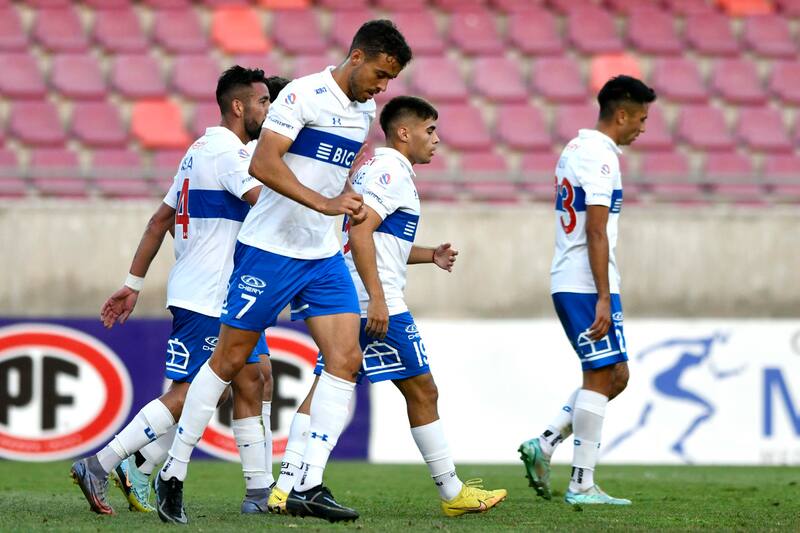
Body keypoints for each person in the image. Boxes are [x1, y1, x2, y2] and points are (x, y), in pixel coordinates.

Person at [155, 20, 412, 524]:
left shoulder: (364, 111)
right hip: (268, 250)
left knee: (346, 358)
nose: (383, 88)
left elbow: (331, 174)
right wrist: (328, 203)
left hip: (320, 256)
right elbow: (264, 165)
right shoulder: (302, 95)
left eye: (390, 81)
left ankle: (304, 480)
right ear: (357, 56)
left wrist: (348, 205)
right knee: (228, 361)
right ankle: (173, 471)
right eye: (380, 74)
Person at [268, 96, 508, 517]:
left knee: (327, 385)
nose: (436, 139)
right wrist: (378, 299)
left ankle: (285, 485)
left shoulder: (371, 169)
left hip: (348, 292)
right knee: (422, 388)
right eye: (430, 130)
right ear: (404, 132)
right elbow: (361, 234)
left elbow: (381, 241)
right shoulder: (391, 171)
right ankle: (452, 492)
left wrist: (428, 254)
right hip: (373, 299)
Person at [70, 66, 273, 517]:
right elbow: (268, 201)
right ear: (238, 107)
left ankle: (260, 493)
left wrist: (132, 284)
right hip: (208, 293)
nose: (268, 109)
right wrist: (321, 199)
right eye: (263, 102)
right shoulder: (227, 153)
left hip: (228, 293)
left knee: (255, 378)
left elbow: (160, 220)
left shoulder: (198, 150)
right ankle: (103, 464)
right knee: (195, 390)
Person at [518, 75, 656, 506]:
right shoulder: (599, 157)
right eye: (642, 118)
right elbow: (596, 230)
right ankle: (581, 484)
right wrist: (601, 295)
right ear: (622, 114)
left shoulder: (577, 148)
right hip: (583, 283)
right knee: (599, 376)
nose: (643, 128)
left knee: (616, 375)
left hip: (586, 282)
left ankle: (545, 441)